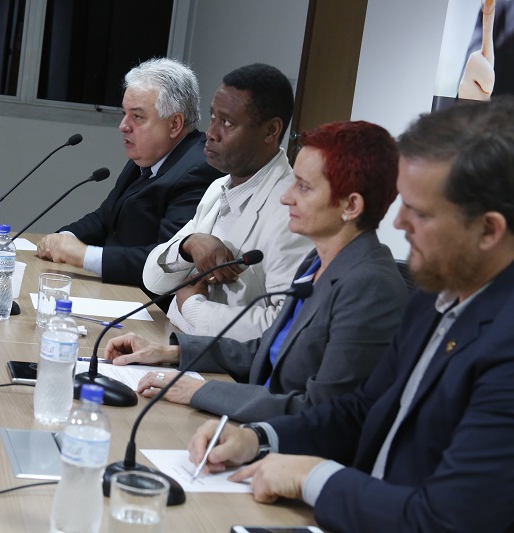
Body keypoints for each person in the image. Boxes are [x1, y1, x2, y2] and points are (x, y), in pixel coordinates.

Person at [188, 97, 514, 532]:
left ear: (489, 230)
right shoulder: (433, 300)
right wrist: (258, 439)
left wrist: (312, 476)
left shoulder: (506, 344)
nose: (398, 225)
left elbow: (446, 519)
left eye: (419, 213)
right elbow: (360, 410)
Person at [104, 121, 408, 423]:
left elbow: (322, 409)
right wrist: (171, 352)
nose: (286, 197)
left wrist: (201, 391)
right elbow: (268, 350)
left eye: (303, 186)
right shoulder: (317, 262)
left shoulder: (370, 285)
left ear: (350, 206)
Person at [142, 64, 310, 342]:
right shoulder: (218, 187)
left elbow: (286, 329)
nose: (211, 133)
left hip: (227, 370)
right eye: (212, 117)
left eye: (227, 123)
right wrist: (188, 245)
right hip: (175, 341)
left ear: (271, 130)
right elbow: (153, 279)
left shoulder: (291, 211)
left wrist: (193, 307)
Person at [36, 58, 223, 293]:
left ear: (175, 124)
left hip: (147, 307)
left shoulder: (198, 170)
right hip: (113, 289)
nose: (123, 126)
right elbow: (104, 218)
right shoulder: (149, 155)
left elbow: (167, 260)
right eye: (124, 114)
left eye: (137, 116)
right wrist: (63, 238)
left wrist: (84, 255)